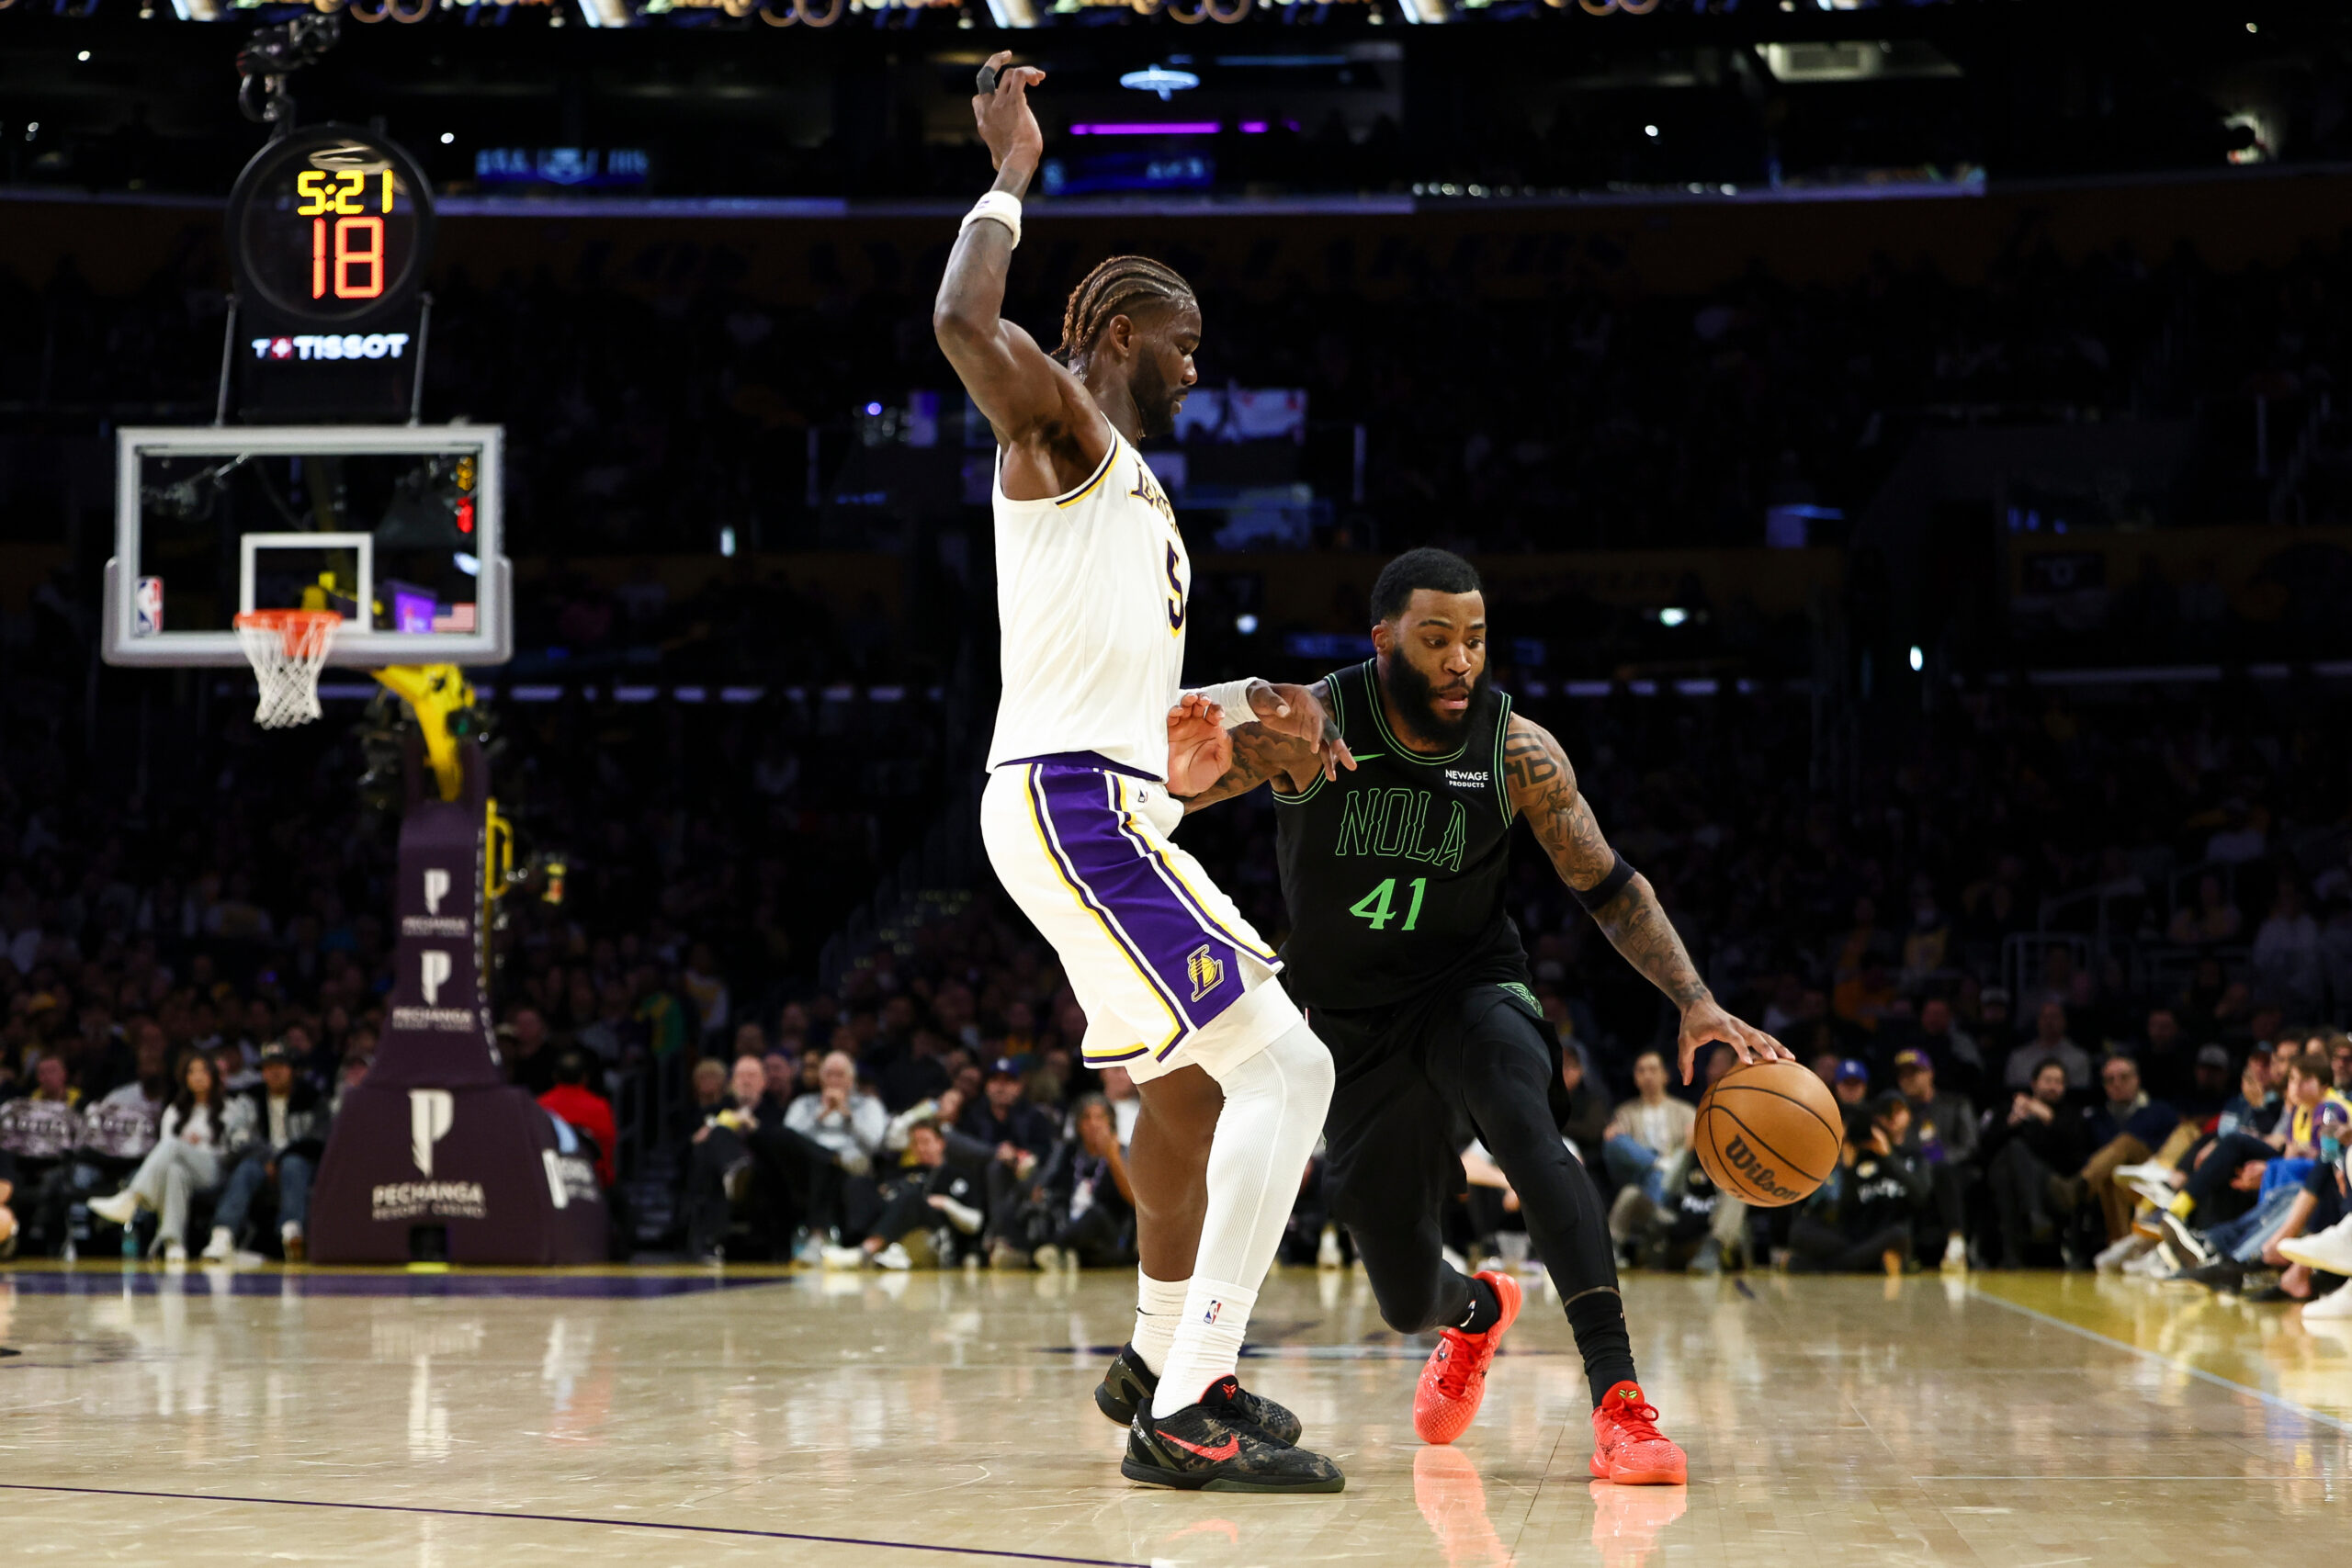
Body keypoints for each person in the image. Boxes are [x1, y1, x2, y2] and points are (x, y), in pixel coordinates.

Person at [935, 50, 1351, 1493]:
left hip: (1102, 803)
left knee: (1191, 1098)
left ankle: (1154, 1353)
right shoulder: (1063, 428)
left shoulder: (1144, 500)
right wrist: (1009, 174)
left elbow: (1161, 738)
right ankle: (1192, 1400)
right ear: (1115, 331)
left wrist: (1257, 734)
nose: (1199, 362)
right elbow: (955, 317)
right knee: (1289, 1063)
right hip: (1066, 803)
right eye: (1183, 339)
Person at [1180, 547, 1789, 1485]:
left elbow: (1609, 885)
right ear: (1381, 641)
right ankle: (1476, 1313)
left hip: (1469, 985)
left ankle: (1622, 1406)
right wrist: (1225, 707)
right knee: (1400, 1288)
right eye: (1435, 639)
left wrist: (1696, 1000)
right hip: (1348, 1024)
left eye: (1474, 638)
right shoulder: (1307, 727)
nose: (1461, 659)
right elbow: (1158, 782)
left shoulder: (1516, 751)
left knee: (1521, 1114)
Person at [87, 1051, 226, 1264]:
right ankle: (173, 1243)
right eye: (192, 1072)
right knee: (173, 1171)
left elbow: (233, 1148)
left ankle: (131, 1198)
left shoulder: (229, 1108)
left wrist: (192, 1147)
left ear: (214, 1075)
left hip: (216, 1171)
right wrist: (185, 1146)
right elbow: (165, 1159)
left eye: (204, 1071)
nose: (198, 1076)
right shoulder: (174, 1111)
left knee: (173, 1145)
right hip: (184, 1173)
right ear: (185, 1078)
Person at [203, 1040, 327, 1263]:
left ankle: (291, 1232)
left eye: (281, 1066)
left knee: (293, 1164)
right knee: (248, 1167)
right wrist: (267, 1158)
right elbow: (238, 1136)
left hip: (299, 1167)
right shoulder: (250, 1097)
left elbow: (318, 1140)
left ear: (293, 1070)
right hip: (260, 1163)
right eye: (269, 1067)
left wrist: (279, 1160)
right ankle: (222, 1233)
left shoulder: (313, 1098)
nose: (274, 1072)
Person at [1790, 1097, 1928, 1274]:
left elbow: (1920, 1196)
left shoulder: (1911, 1157)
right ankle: (1869, 1261)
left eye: (1897, 1112)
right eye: (1886, 1115)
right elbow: (1846, 1211)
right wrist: (1849, 1167)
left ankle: (1822, 1267)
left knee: (1899, 1234)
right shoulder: (1858, 1159)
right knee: (1799, 1231)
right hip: (1855, 1235)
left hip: (1885, 1232)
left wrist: (1887, 1156)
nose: (1891, 1119)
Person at [1979, 1059, 2091, 1269]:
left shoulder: (2070, 1114)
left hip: (2054, 1184)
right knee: (2008, 1159)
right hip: (2009, 1184)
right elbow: (1985, 1149)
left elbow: (2074, 1156)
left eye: (2058, 1082)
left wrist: (2048, 1119)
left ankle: (2013, 1251)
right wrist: (2013, 1121)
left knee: (2013, 1153)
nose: (2053, 1086)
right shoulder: (2009, 1110)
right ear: (2034, 1083)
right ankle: (2034, 1217)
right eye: (2048, 1080)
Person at [1891, 1048, 1976, 1270]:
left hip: (1951, 1172)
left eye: (1915, 1072)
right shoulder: (1897, 1111)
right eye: (1903, 1074)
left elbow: (1968, 1146)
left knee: (1942, 1170)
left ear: (1930, 1074)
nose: (1908, 1079)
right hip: (1912, 1173)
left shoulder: (1955, 1103)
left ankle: (1956, 1242)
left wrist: (1937, 1162)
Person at [1602, 1051, 1699, 1247]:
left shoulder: (1684, 1110)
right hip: (1641, 1179)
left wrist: (1691, 1140)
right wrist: (1615, 1134)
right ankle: (1657, 1165)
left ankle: (1611, 1249)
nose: (1647, 1075)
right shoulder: (1626, 1112)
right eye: (1641, 1071)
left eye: (1653, 1070)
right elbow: (1619, 1149)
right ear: (1635, 1078)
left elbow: (1691, 1148)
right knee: (1614, 1140)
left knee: (1630, 1194)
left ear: (1665, 1075)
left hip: (1674, 1186)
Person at [540, 1049, 619, 1188]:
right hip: (595, 1183)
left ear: (555, 1076)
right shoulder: (600, 1107)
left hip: (552, 1182)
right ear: (585, 1077)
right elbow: (608, 1149)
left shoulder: (541, 1105)